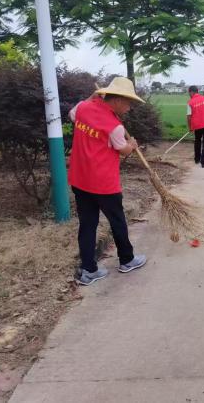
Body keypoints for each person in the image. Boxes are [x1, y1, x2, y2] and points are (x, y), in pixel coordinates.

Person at [68, 77, 147, 285]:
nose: (129, 108)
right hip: (104, 184)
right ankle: (127, 260)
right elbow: (123, 151)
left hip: (80, 180)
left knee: (87, 224)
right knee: (117, 221)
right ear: (118, 100)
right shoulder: (115, 126)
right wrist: (132, 145)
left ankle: (88, 270)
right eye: (128, 103)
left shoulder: (83, 108)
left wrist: (91, 97)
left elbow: (72, 115)